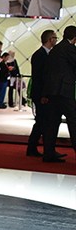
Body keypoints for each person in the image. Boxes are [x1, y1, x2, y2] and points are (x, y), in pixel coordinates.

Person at [26, 29, 63, 160]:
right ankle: (32, 147)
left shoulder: (47, 54)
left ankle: (33, 147)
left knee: (42, 121)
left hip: (44, 93)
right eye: (55, 38)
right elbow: (39, 78)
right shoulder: (39, 55)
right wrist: (43, 95)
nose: (56, 40)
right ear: (50, 39)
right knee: (41, 121)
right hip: (41, 94)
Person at [41, 24, 76, 162]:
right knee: (73, 121)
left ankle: (48, 153)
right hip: (64, 91)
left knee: (52, 123)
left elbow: (48, 72)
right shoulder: (69, 48)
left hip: (52, 92)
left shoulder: (55, 49)